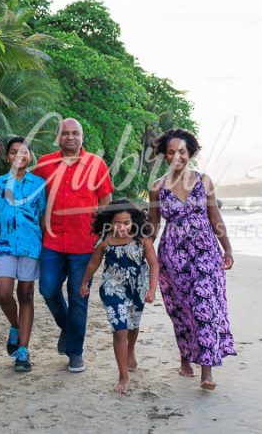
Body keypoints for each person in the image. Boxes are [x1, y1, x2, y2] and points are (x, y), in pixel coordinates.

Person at [148, 128, 236, 390]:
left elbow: (215, 218)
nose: (177, 156)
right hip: (173, 256)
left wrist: (227, 249)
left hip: (206, 251)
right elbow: (153, 227)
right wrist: (144, 255)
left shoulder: (204, 181)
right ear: (165, 155)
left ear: (190, 154)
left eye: (182, 152)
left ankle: (206, 372)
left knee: (203, 304)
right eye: (171, 152)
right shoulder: (157, 188)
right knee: (181, 307)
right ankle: (185, 358)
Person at [33, 118, 113, 372]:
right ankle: (67, 328)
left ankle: (75, 352)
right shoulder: (45, 163)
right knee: (47, 290)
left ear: (82, 136)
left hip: (85, 244)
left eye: (75, 133)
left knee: (79, 298)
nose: (70, 137)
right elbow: (31, 195)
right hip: (52, 242)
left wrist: (104, 234)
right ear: (58, 137)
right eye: (65, 133)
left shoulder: (96, 164)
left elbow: (106, 200)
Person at [79, 199, 159, 394]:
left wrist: (152, 289)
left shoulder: (142, 239)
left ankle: (130, 349)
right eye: (117, 222)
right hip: (112, 289)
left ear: (133, 221)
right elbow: (93, 264)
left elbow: (154, 264)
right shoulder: (105, 240)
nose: (121, 227)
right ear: (109, 221)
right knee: (119, 330)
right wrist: (84, 283)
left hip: (136, 289)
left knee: (132, 325)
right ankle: (123, 376)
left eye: (126, 223)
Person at [0, 137, 47, 372]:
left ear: (30, 155)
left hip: (31, 247)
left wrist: (46, 251)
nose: (18, 156)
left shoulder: (39, 185)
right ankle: (15, 325)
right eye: (13, 152)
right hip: (4, 246)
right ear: (7, 156)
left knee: (26, 294)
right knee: (3, 293)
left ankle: (23, 351)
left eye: (24, 152)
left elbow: (42, 219)